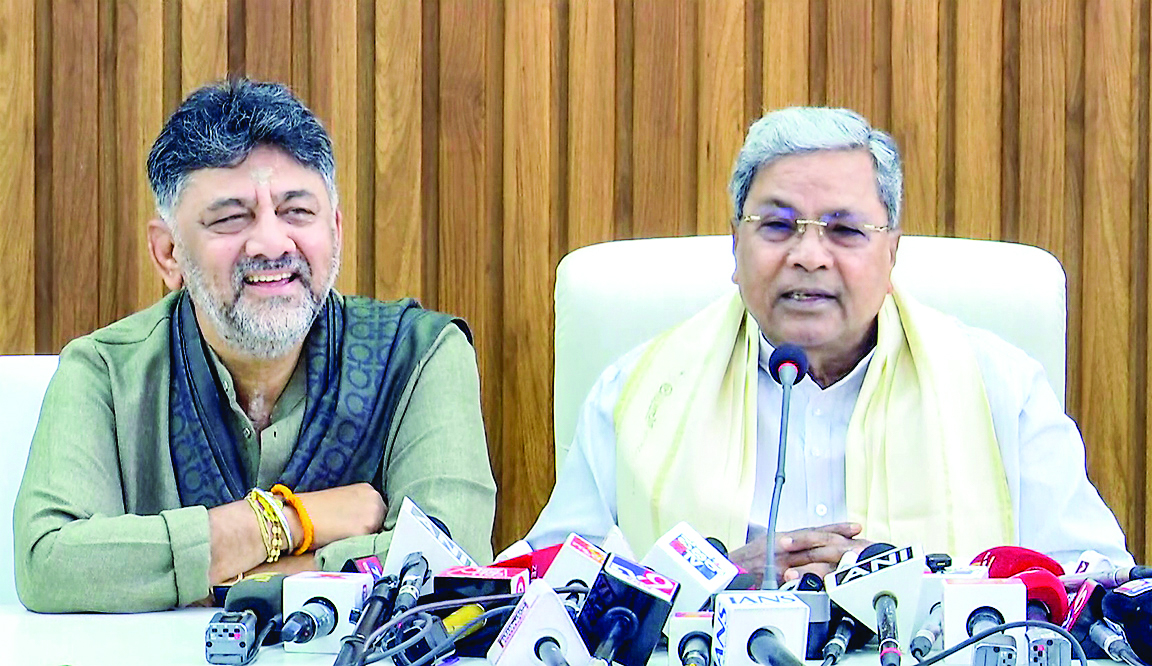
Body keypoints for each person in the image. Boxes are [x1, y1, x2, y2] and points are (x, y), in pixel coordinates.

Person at [527, 107, 1132, 583]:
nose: (809, 256)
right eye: (777, 225)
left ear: (891, 253)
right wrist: (709, 581)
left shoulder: (999, 390)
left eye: (844, 230)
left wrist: (908, 582)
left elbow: (1094, 585)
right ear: (735, 247)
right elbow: (547, 585)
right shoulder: (637, 395)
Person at [13, 79, 497, 612]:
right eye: (230, 218)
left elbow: (449, 566)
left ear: (335, 231)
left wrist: (212, 577)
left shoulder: (420, 355)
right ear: (169, 252)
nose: (270, 243)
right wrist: (288, 522)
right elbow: (48, 565)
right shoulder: (105, 372)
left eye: (297, 212)